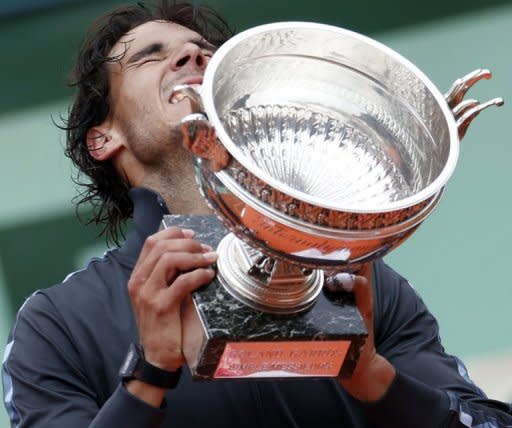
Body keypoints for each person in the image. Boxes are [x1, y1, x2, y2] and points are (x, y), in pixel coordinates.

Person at [2, 1, 511, 427]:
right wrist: (149, 375)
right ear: (102, 137)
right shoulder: (57, 324)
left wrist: (374, 377)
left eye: (207, 52)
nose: (193, 54)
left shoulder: (357, 282)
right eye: (150, 57)